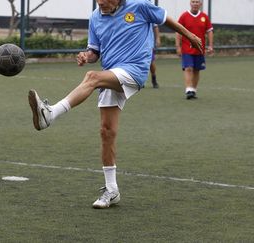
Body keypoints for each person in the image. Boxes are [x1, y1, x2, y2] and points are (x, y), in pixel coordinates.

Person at [28, 0, 202, 209]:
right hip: (111, 73)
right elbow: (94, 51)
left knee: (92, 77)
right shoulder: (95, 17)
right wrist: (86, 55)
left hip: (135, 70)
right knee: (106, 131)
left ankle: (50, 113)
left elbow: (166, 20)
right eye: (98, 0)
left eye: (105, 0)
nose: (101, 3)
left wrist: (190, 36)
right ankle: (112, 190)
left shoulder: (140, 6)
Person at [176, 0, 213, 99]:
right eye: (193, 2)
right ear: (190, 3)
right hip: (186, 48)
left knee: (197, 70)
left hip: (199, 49)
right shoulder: (184, 16)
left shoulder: (204, 17)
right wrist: (178, 46)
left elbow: (209, 31)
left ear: (200, 4)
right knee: (188, 68)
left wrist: (210, 45)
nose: (195, 4)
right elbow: (178, 31)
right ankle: (188, 89)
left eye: (197, 2)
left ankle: (193, 90)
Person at [149, 0, 160, 88]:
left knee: (150, 62)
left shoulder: (150, 9)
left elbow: (155, 26)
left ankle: (154, 78)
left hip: (148, 43)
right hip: (135, 43)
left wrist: (158, 38)